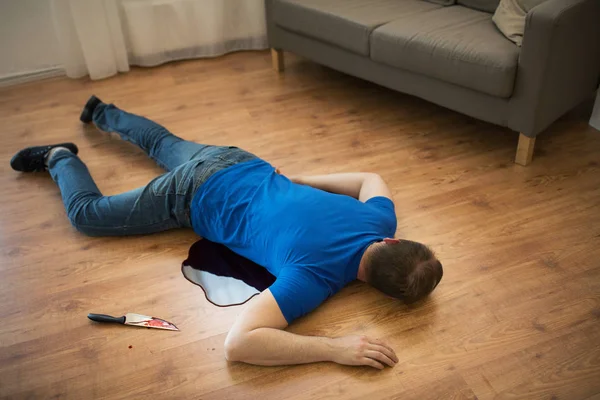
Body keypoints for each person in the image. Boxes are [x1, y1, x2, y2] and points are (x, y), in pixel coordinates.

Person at [10, 95, 443, 370]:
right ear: (378, 292)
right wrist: (335, 348)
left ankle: (101, 111)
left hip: (237, 162)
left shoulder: (379, 220)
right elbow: (239, 346)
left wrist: (301, 180)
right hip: (191, 195)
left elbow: (370, 178)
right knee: (88, 214)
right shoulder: (315, 279)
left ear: (392, 241)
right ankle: (59, 157)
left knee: (162, 143)